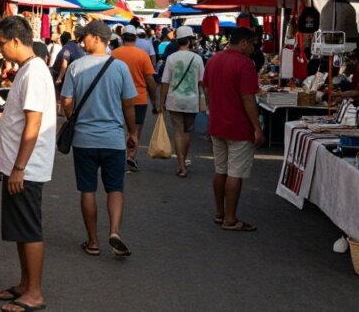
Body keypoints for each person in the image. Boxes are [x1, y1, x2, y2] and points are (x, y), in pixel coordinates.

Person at [0, 16, 57, 312]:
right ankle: (25, 284)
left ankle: (35, 292)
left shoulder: (33, 72)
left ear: (16, 41)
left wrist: (19, 167)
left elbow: (34, 123)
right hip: (18, 164)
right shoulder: (29, 70)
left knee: (29, 229)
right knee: (20, 228)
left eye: (2, 43)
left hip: (26, 167)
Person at [61, 20, 137, 258]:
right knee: (115, 188)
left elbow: (66, 102)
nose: (82, 41)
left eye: (84, 37)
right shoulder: (120, 68)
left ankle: (93, 242)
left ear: (96, 37)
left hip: (84, 139)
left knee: (88, 189)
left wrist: (72, 117)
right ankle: (114, 231)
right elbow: (128, 104)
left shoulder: (76, 67)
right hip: (113, 139)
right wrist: (132, 132)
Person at [202, 27, 262, 232]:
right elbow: (248, 98)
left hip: (217, 124)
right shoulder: (245, 65)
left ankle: (220, 213)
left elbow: (206, 87)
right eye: (252, 43)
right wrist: (257, 127)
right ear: (244, 42)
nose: (253, 48)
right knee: (235, 172)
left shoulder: (214, 60)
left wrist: (217, 103)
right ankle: (230, 218)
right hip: (238, 126)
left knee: (220, 170)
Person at [112, 25, 159, 172]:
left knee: (118, 127)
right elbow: (150, 80)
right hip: (138, 98)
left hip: (117, 97)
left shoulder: (114, 54)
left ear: (122, 37)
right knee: (135, 130)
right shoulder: (142, 55)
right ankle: (131, 156)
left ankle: (117, 158)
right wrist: (154, 100)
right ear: (135, 37)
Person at [160, 26, 204, 178]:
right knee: (187, 132)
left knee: (178, 132)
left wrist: (161, 102)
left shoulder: (171, 58)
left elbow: (165, 82)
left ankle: (181, 166)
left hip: (174, 100)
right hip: (192, 100)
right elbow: (201, 82)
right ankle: (184, 161)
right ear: (191, 40)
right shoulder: (197, 58)